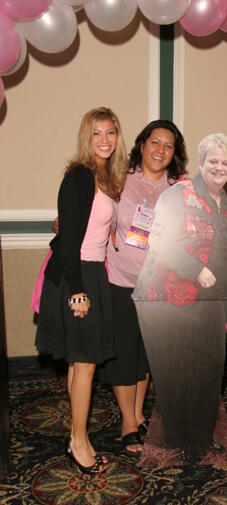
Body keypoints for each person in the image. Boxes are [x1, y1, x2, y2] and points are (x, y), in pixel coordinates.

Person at [132, 133, 227, 462]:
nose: (219, 167)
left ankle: (201, 440)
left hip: (209, 302)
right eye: (213, 161)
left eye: (226, 162)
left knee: (209, 372)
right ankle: (180, 441)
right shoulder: (177, 195)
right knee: (176, 372)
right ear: (201, 162)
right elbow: (160, 241)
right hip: (165, 300)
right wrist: (195, 269)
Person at [36, 107, 127, 475]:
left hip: (92, 272)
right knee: (86, 363)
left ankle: (76, 436)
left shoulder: (105, 176)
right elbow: (70, 239)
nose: (104, 140)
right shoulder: (79, 176)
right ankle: (79, 441)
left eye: (110, 132)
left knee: (79, 361)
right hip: (79, 276)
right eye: (96, 133)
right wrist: (77, 291)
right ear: (86, 138)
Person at [99, 120, 187, 454]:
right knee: (124, 354)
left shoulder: (177, 188)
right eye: (155, 142)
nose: (160, 150)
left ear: (174, 153)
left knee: (145, 357)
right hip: (119, 280)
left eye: (168, 145)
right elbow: (94, 211)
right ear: (142, 144)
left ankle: (136, 415)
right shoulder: (119, 177)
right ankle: (127, 422)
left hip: (157, 286)